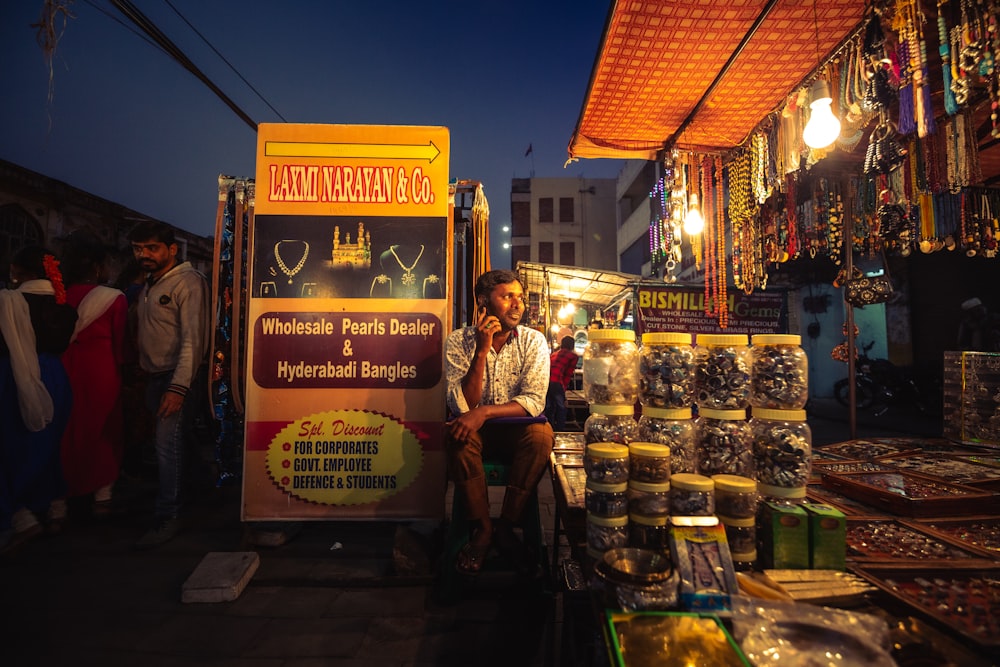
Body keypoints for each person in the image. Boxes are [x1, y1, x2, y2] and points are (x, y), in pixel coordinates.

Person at [445, 269, 553, 575]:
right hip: (476, 436)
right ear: (484, 302)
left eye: (520, 297)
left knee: (541, 436)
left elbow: (533, 401)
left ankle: (507, 525)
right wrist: (482, 349)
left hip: (516, 436)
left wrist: (484, 413)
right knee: (458, 437)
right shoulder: (459, 341)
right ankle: (483, 529)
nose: (518, 304)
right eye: (508, 297)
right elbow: (462, 405)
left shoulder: (533, 341)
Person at [128, 221, 210, 549]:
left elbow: (193, 340)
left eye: (151, 248)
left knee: (167, 446)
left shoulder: (188, 283)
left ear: (171, 250)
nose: (143, 255)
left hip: (178, 377)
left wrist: (179, 388)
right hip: (155, 375)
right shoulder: (153, 282)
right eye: (138, 249)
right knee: (178, 443)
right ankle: (203, 491)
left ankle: (168, 515)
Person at [0, 246, 77, 554]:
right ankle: (55, 511)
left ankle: (21, 518)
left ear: (20, 272)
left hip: (15, 376)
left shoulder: (9, 301)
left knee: (11, 449)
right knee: (47, 446)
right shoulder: (63, 307)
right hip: (56, 377)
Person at [57, 230, 128, 519]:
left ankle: (58, 504)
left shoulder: (58, 297)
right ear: (99, 267)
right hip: (102, 371)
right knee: (103, 428)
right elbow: (121, 344)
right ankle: (103, 496)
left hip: (63, 368)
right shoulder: (114, 298)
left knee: (65, 431)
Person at [545, 335, 578, 431]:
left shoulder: (553, 354)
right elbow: (567, 374)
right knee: (561, 407)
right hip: (557, 382)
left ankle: (549, 429)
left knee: (549, 407)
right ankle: (560, 430)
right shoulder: (573, 356)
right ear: (572, 345)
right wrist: (563, 390)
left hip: (547, 382)